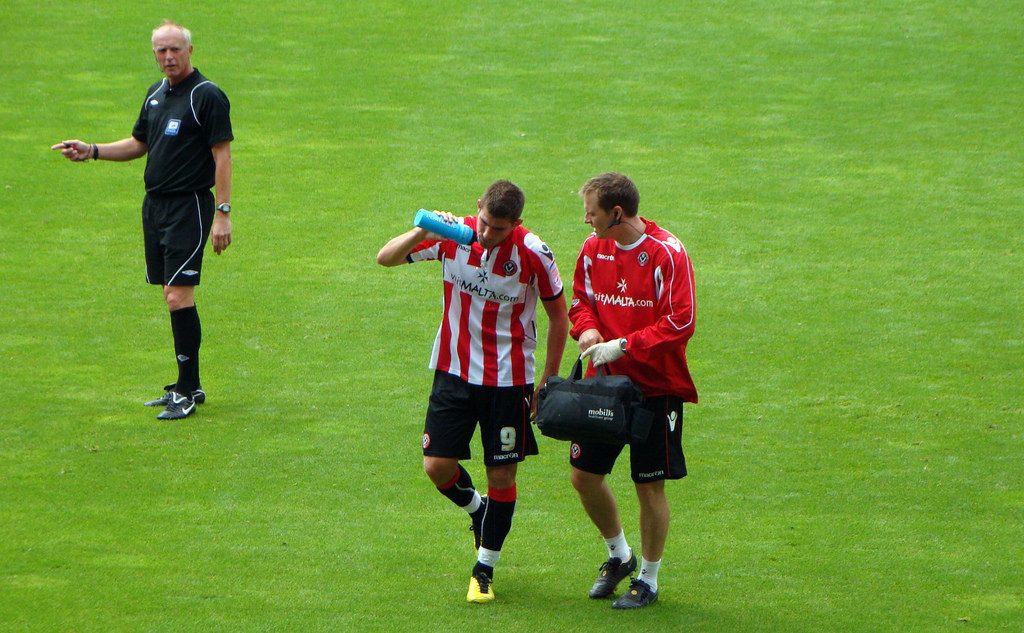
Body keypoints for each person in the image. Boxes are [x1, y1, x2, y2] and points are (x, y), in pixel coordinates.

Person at [377, 180, 569, 604]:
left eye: (499, 229)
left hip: (508, 381)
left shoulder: (534, 253)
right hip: (454, 372)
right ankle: (476, 510)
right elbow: (385, 258)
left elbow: (560, 316)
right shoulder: (453, 237)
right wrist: (425, 231)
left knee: (502, 476)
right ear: (477, 207)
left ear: (516, 224)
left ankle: (484, 567)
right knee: (436, 466)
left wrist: (549, 381)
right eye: (484, 223)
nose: (486, 235)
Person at [51, 21, 233, 420]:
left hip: (190, 207)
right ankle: (191, 384)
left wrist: (223, 213)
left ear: (190, 50)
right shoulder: (155, 94)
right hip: (155, 208)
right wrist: (93, 149)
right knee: (170, 292)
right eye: (160, 51)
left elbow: (222, 154)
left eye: (174, 50)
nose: (167, 57)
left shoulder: (207, 96)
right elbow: (140, 144)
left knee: (178, 295)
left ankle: (186, 390)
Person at [567, 172, 697, 609]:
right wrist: (586, 332)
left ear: (616, 214)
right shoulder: (592, 248)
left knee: (649, 486)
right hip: (602, 389)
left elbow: (681, 323)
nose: (586, 220)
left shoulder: (667, 254)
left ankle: (649, 579)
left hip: (654, 390)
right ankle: (619, 555)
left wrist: (621, 345)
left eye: (592, 212)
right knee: (584, 477)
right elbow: (580, 302)